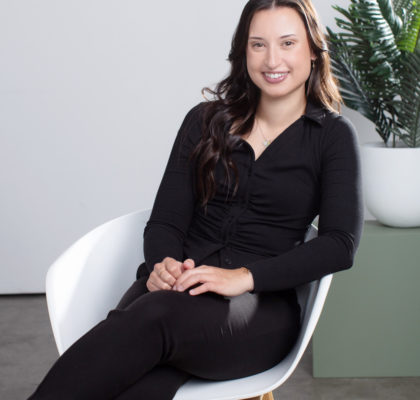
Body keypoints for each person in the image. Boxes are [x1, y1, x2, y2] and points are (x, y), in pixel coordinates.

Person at [28, 0, 364, 399]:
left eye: (287, 43)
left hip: (257, 311)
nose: (273, 59)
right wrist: (161, 265)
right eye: (258, 45)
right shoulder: (205, 121)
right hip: (177, 290)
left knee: (154, 317)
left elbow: (339, 245)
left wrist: (242, 278)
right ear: (243, 51)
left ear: (312, 48)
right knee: (141, 381)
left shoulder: (333, 136)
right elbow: (166, 220)